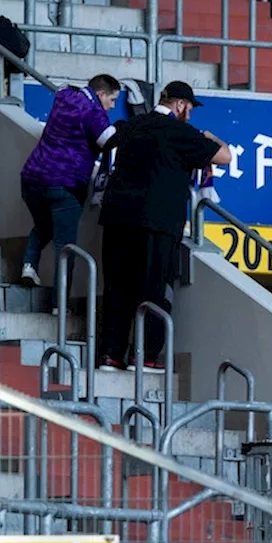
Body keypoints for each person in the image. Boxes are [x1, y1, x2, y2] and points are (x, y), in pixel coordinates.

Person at [97, 81, 231, 371]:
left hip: (117, 216)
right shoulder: (181, 132)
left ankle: (110, 355)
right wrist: (210, 137)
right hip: (157, 220)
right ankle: (142, 356)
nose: (191, 115)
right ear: (180, 105)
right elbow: (224, 156)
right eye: (190, 108)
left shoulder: (134, 124)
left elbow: (104, 140)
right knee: (154, 289)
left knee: (117, 287)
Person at [19, 74, 121, 288]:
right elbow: (108, 139)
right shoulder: (94, 111)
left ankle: (29, 266)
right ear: (101, 94)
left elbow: (64, 88)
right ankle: (59, 305)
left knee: (43, 225)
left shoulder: (65, 95)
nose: (112, 106)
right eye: (112, 100)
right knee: (65, 247)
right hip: (65, 184)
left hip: (32, 178)